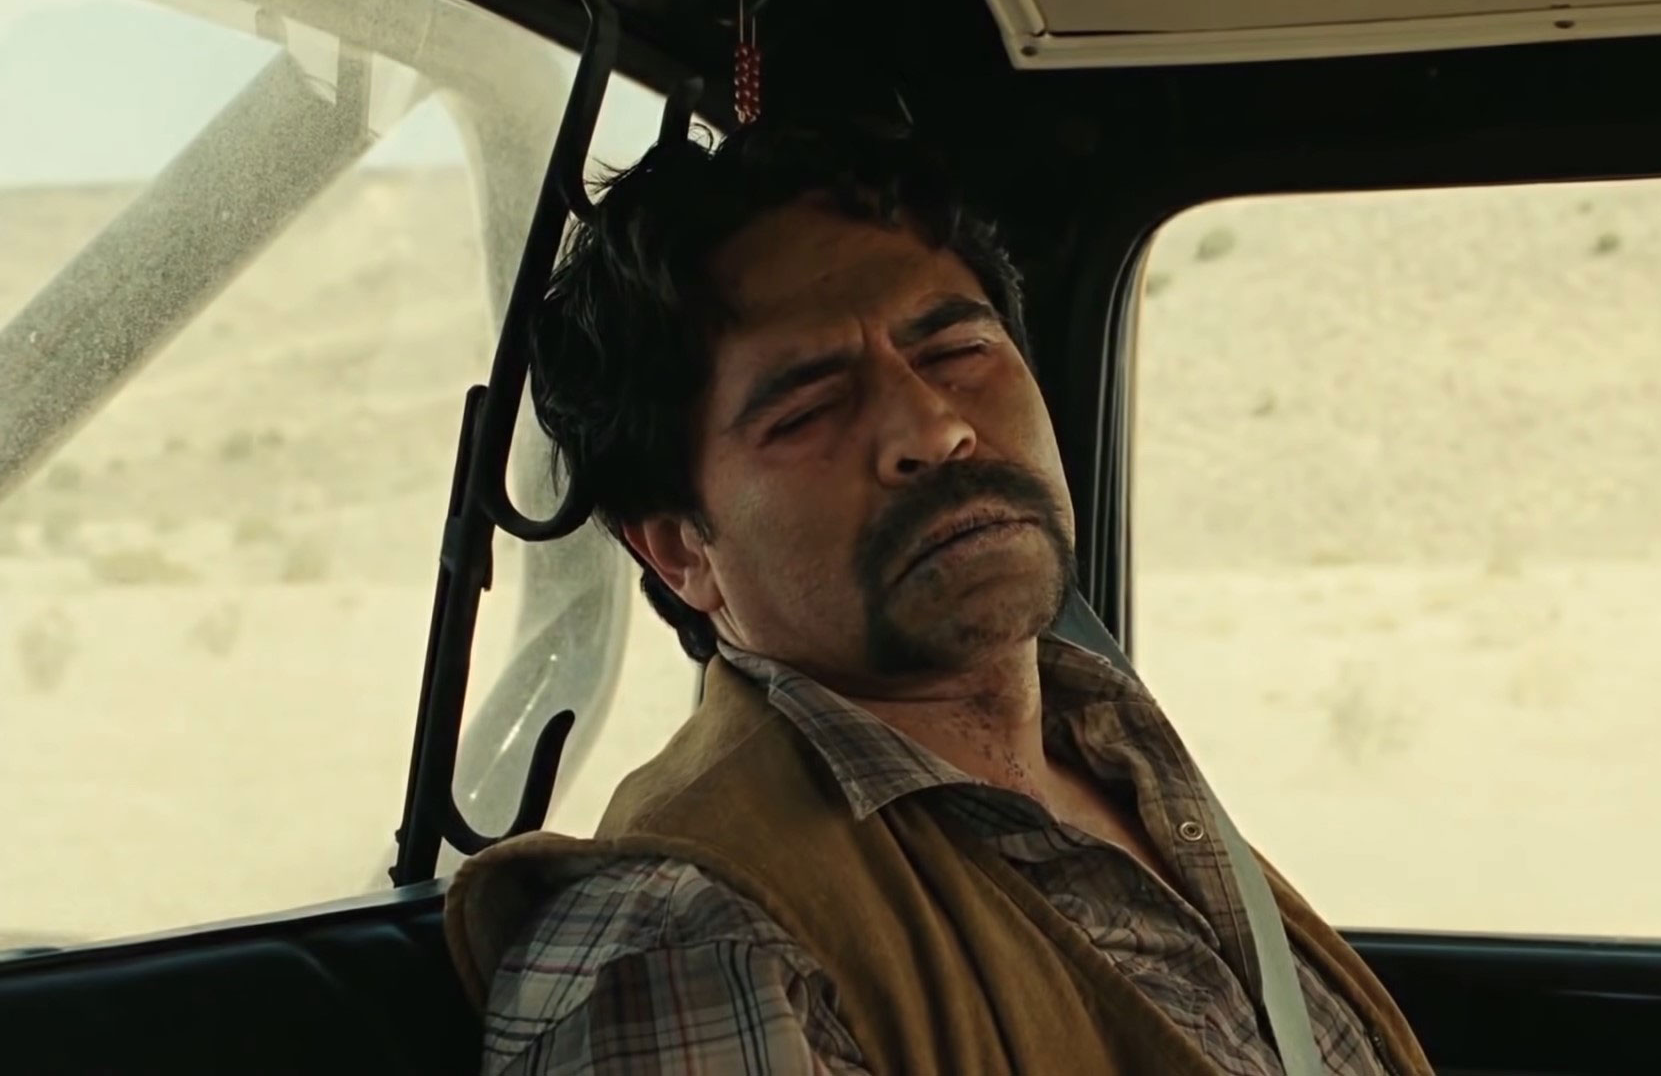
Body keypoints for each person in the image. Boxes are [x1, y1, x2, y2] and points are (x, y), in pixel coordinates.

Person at [443, 111, 1432, 1076]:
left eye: (957, 352)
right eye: (808, 408)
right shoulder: (692, 944)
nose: (934, 428)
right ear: (678, 551)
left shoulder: (1106, 752)